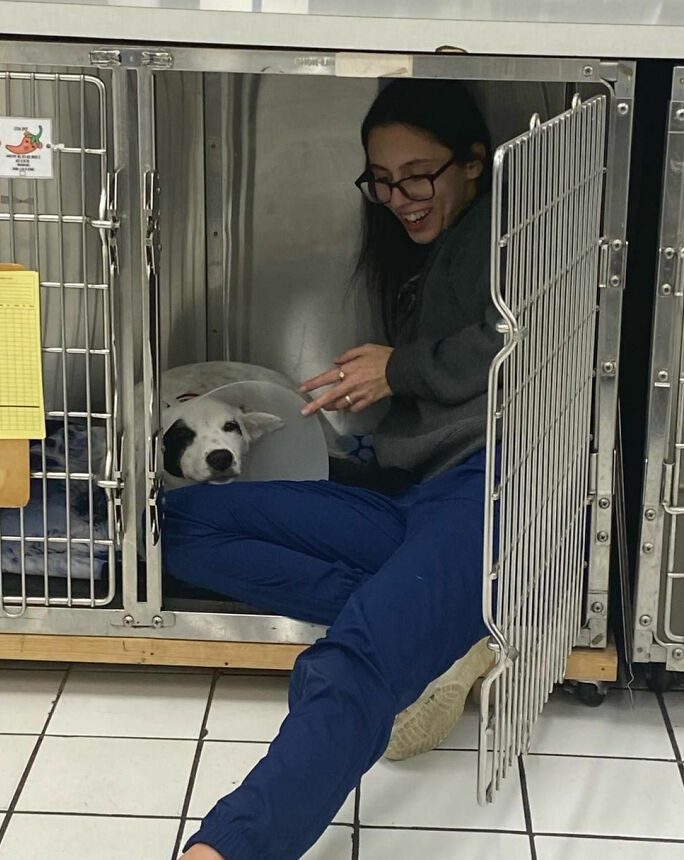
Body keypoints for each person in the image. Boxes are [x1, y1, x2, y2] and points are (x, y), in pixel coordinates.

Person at [163, 78, 503, 860]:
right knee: (171, 523)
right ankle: (436, 625)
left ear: (473, 164)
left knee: (354, 662)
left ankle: (227, 850)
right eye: (382, 181)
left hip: (486, 490)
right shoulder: (429, 247)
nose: (398, 197)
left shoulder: (507, 233)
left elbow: (521, 342)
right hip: (410, 498)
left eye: (418, 175)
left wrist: (401, 369)